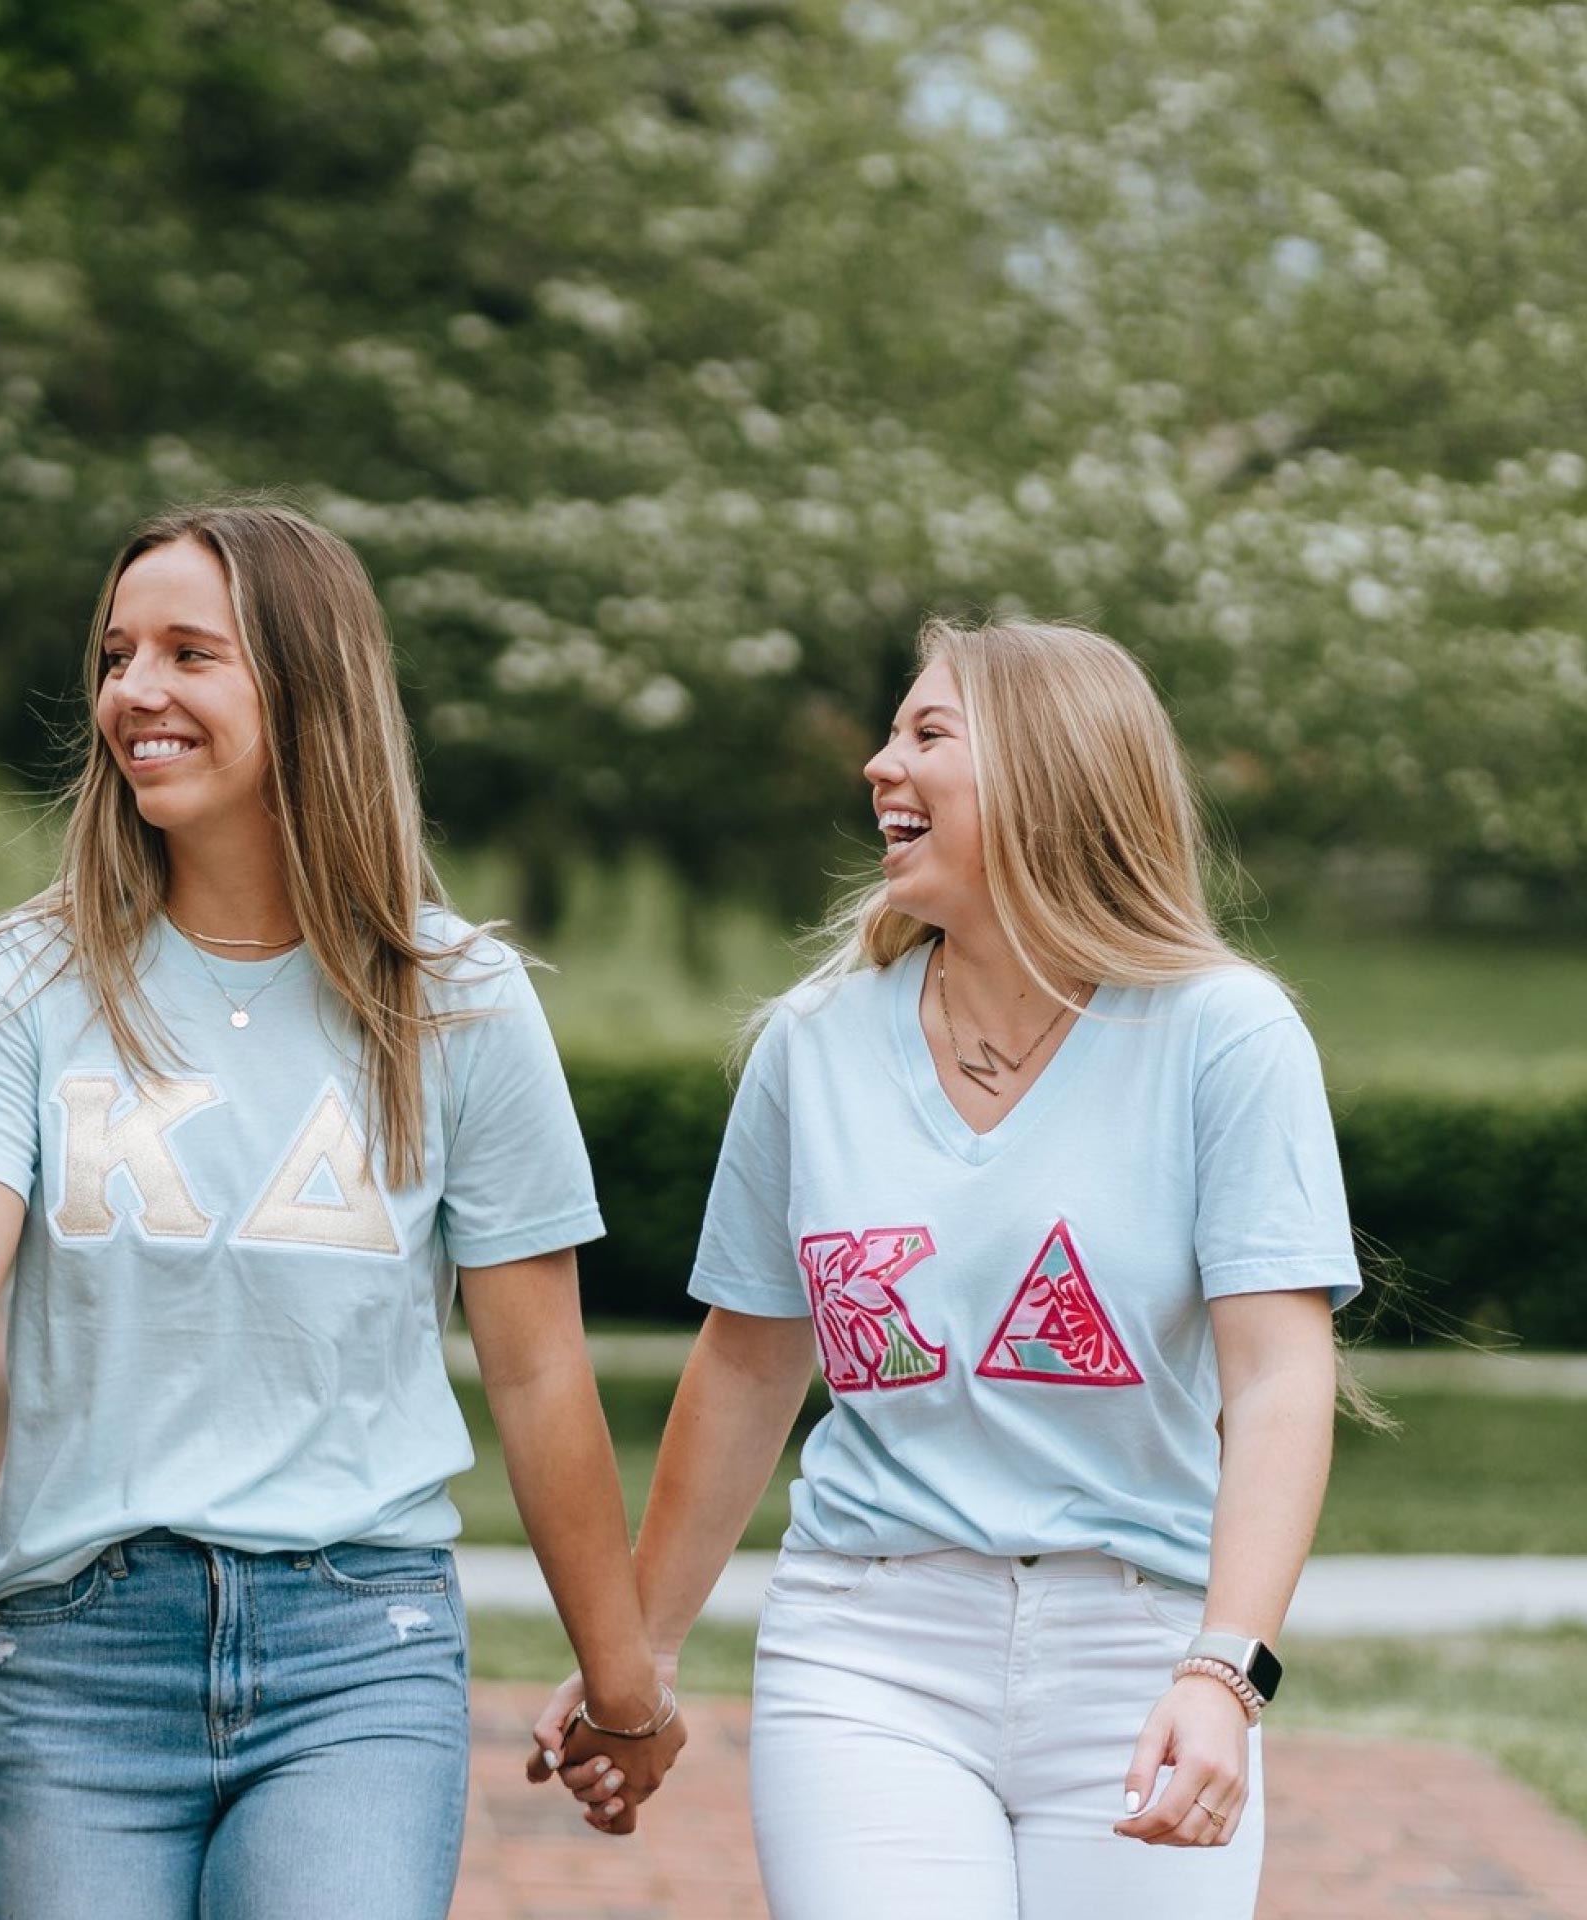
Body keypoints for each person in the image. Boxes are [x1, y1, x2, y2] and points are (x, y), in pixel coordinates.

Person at [0, 502, 682, 1919]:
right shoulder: (21, 984)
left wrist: (627, 1688)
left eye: (188, 654)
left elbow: (538, 1374)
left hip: (359, 1648)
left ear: (306, 688)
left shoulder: (457, 1000)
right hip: (84, 1654)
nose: (133, 692)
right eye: (116, 654)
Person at [531, 617, 1356, 1914]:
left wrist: (1224, 1672)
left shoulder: (1224, 1036)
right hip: (868, 1650)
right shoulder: (812, 1046)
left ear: (1048, 771)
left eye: (926, 734)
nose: (877, 764)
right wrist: (642, 1653)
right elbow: (748, 1365)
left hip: (1139, 1647)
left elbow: (1279, 1380)